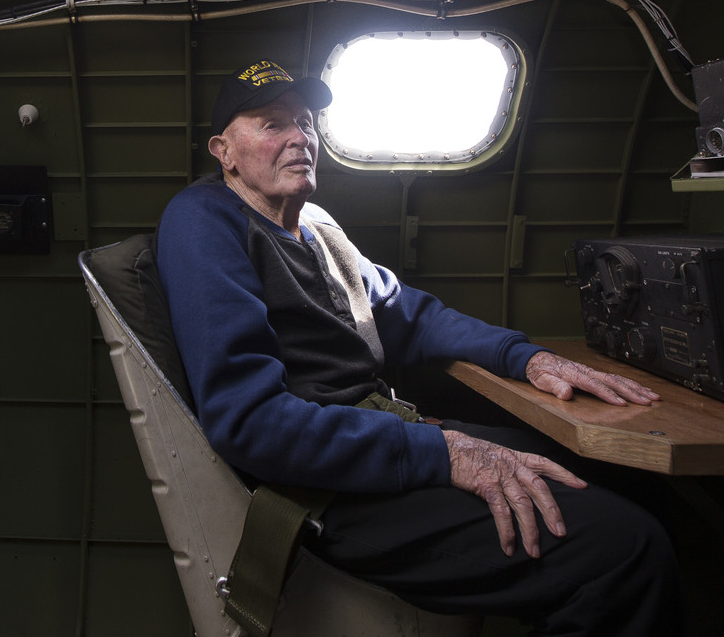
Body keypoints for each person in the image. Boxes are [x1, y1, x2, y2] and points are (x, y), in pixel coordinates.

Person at [155, 58, 683, 636]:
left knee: (626, 477)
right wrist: (444, 453)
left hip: (384, 439)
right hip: (322, 487)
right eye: (272, 124)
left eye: (305, 122)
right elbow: (251, 422)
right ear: (224, 151)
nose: (299, 137)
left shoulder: (318, 227)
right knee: (626, 555)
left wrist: (526, 357)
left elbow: (410, 314)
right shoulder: (202, 221)